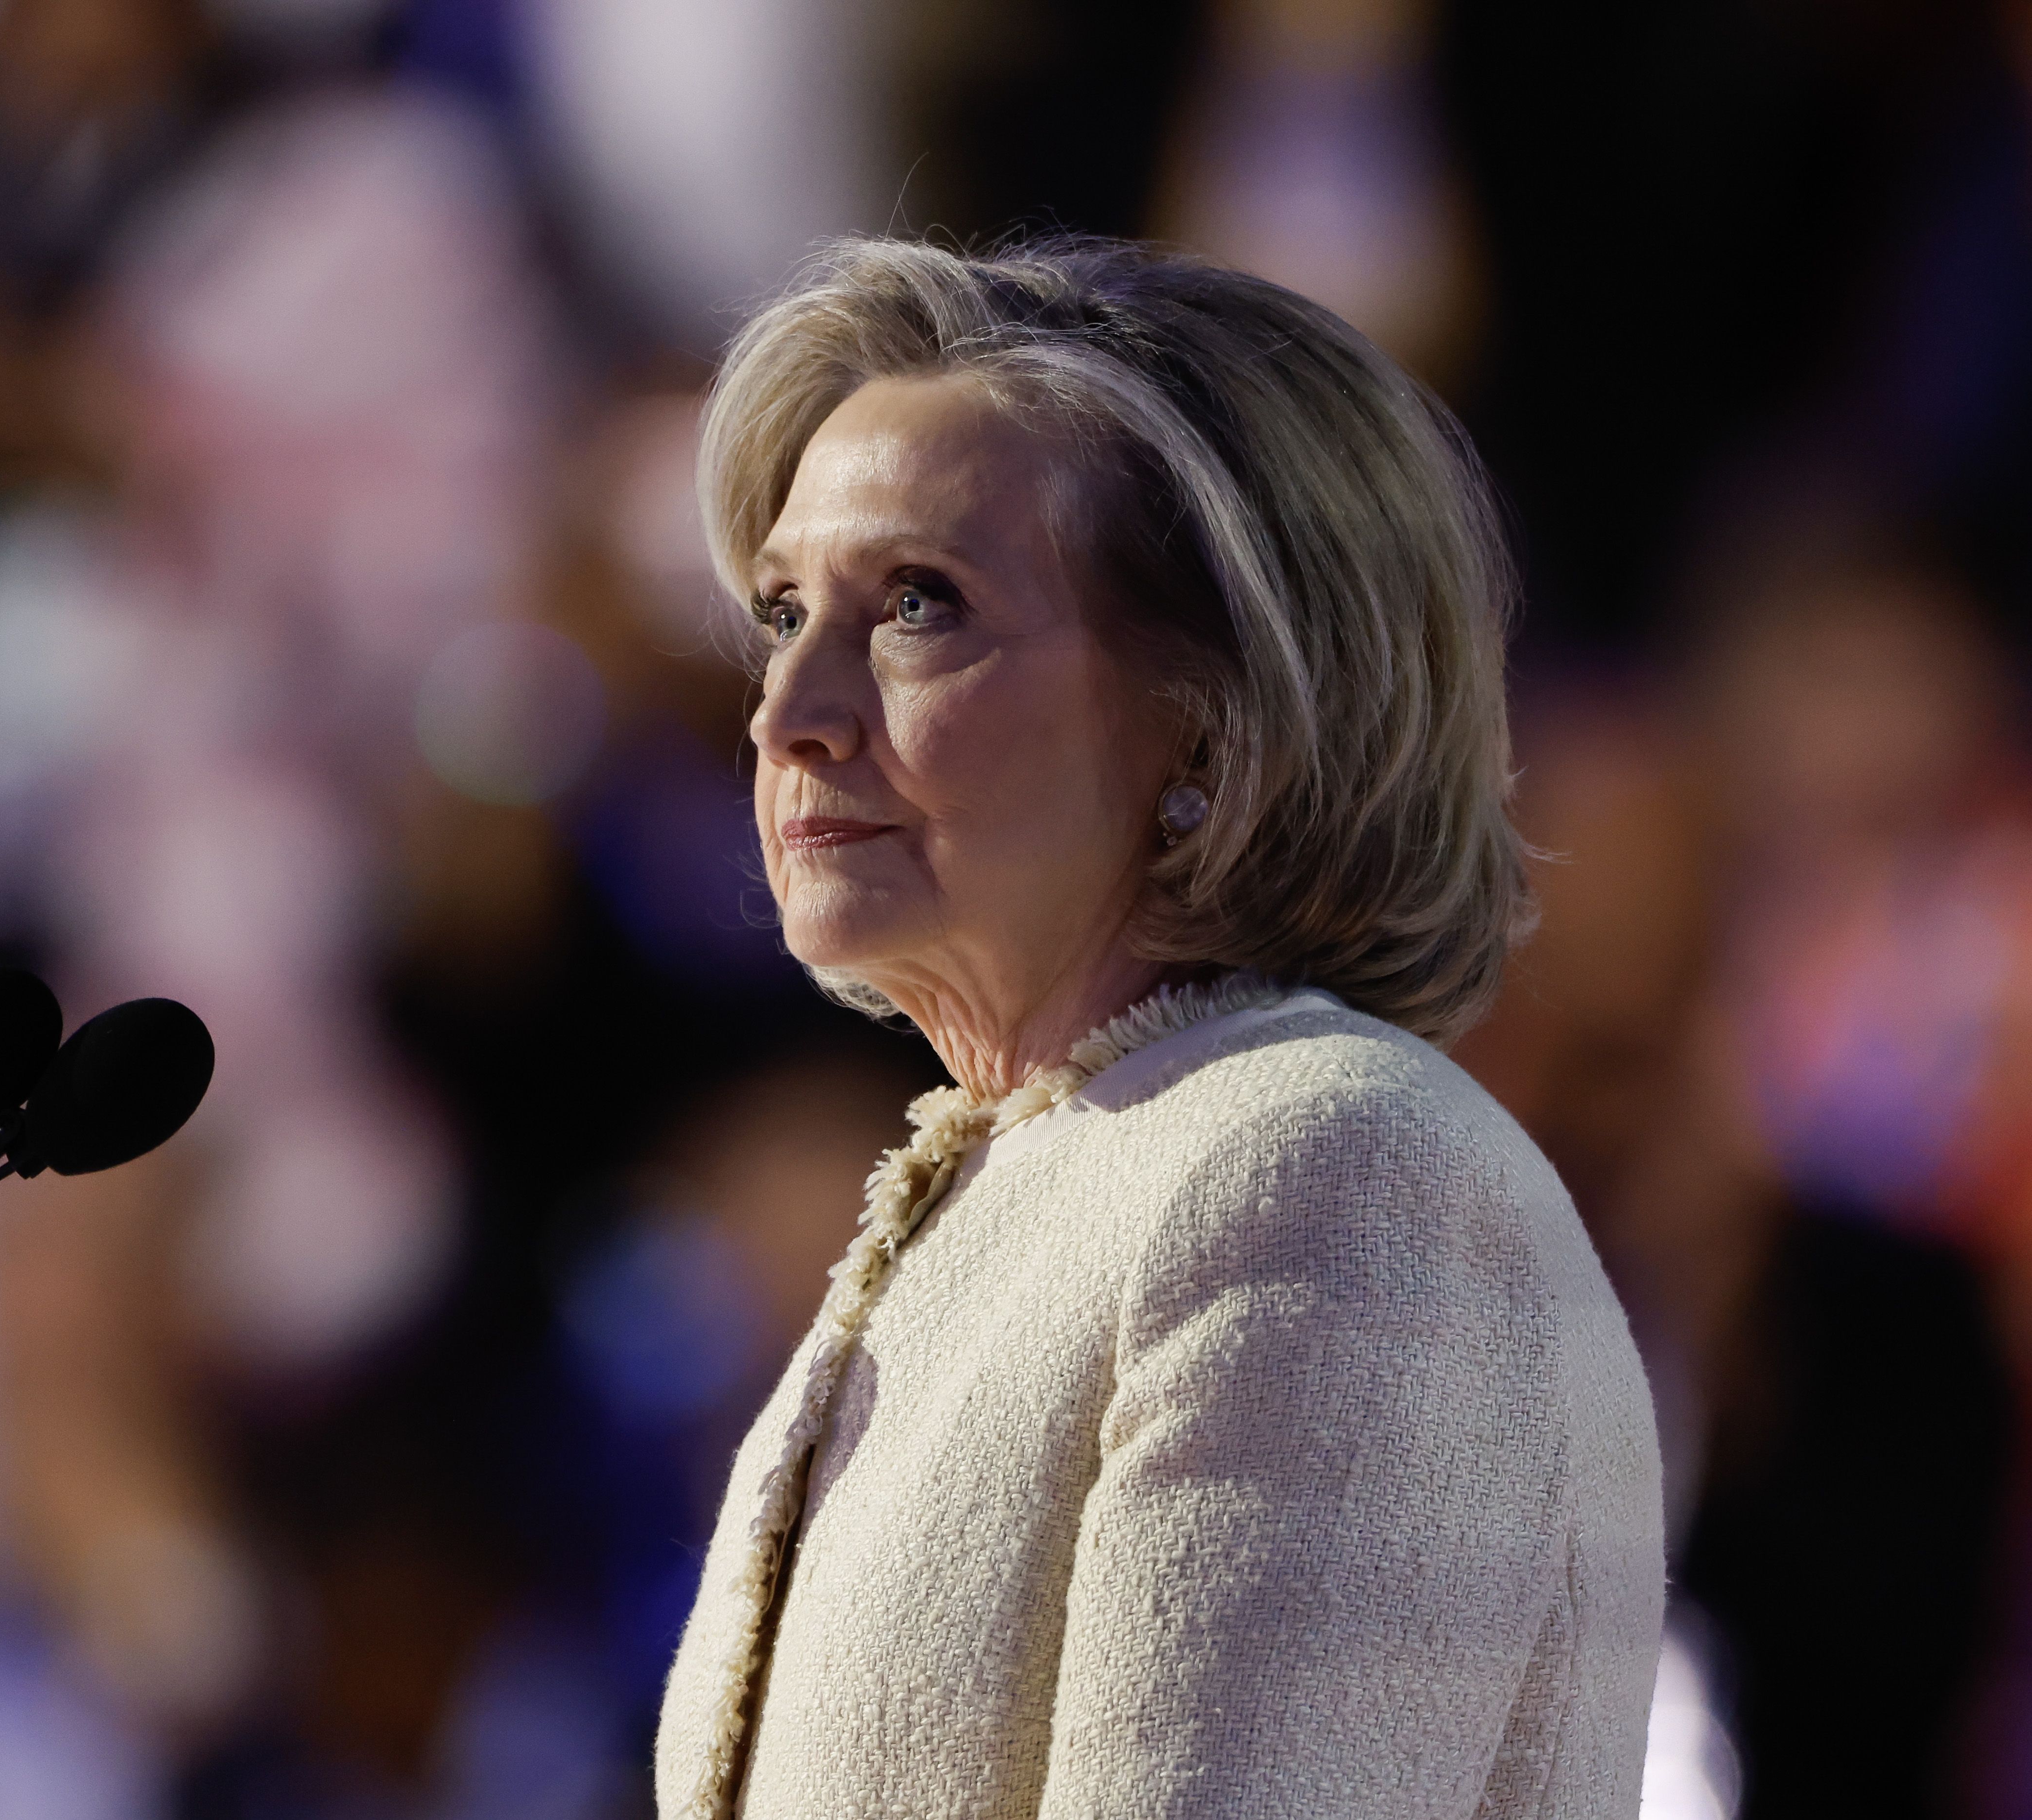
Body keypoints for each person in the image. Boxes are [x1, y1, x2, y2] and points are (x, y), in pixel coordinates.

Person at [649, 237, 1664, 1819]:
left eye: (918, 604)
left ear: (1211, 709)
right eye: (784, 612)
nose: (789, 713)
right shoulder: (1019, 1182)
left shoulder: (1332, 1175)